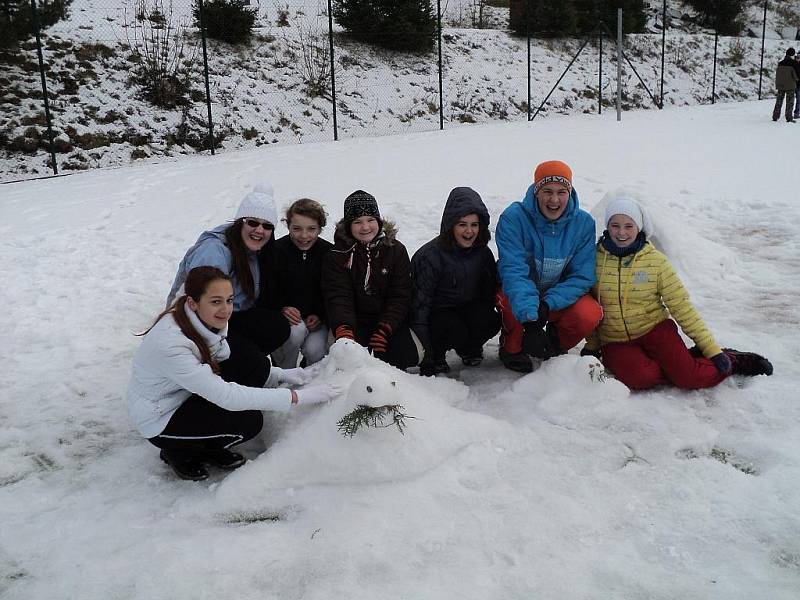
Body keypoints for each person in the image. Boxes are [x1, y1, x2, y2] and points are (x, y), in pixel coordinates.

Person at [129, 267, 339, 481]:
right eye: (216, 301)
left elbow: (225, 358)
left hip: (185, 392)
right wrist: (297, 397)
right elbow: (226, 396)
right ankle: (179, 449)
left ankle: (204, 442)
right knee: (248, 421)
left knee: (252, 365)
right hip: (161, 416)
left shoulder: (202, 318)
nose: (225, 309)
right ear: (193, 302)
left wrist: (279, 375)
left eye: (229, 300)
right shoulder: (171, 344)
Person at [583, 196, 773, 391]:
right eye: (615, 225)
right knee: (641, 379)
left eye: (628, 226)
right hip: (616, 340)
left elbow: (682, 307)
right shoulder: (594, 260)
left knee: (689, 378)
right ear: (607, 226)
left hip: (655, 330)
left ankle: (733, 360)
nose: (621, 232)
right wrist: (593, 344)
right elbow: (589, 304)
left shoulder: (656, 262)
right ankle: (685, 362)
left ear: (639, 227)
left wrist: (712, 350)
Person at [495, 160, 602, 373]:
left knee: (589, 313)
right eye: (547, 191)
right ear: (536, 191)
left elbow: (581, 276)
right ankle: (511, 347)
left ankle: (555, 342)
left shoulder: (583, 224)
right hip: (519, 294)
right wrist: (531, 320)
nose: (554, 200)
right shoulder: (514, 218)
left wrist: (547, 305)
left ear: (570, 193)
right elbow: (514, 272)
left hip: (557, 297)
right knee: (510, 301)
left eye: (562, 192)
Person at [166, 183, 290, 356]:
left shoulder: (253, 250)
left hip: (230, 316)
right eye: (253, 222)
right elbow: (194, 303)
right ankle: (215, 367)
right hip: (201, 322)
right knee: (255, 366)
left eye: (267, 225)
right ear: (240, 222)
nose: (259, 230)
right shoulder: (214, 252)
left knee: (277, 325)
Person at [321, 190, 419, 370]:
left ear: (379, 222)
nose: (365, 227)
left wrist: (385, 328)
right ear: (348, 225)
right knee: (349, 359)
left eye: (370, 220)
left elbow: (400, 294)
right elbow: (338, 295)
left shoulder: (396, 250)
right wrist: (344, 330)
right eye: (358, 222)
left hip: (386, 320)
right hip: (353, 321)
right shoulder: (337, 255)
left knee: (405, 355)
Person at [411, 187, 501, 377]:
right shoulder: (430, 256)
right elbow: (419, 307)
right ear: (451, 225)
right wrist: (426, 356)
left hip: (466, 308)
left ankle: (470, 348)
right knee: (449, 327)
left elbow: (488, 295)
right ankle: (436, 355)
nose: (469, 231)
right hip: (438, 315)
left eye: (474, 225)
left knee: (489, 320)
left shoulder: (483, 253)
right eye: (462, 224)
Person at [262, 198, 333, 368]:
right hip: (287, 320)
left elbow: (333, 291)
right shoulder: (275, 251)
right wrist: (282, 307)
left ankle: (310, 380)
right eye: (297, 229)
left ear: (320, 228)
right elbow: (266, 289)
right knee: (295, 333)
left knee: (315, 349)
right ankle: (284, 374)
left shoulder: (329, 253)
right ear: (288, 226)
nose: (304, 236)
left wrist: (320, 315)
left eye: (311, 229)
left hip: (316, 321)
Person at [773, 47, 798, 123]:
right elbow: (796, 75)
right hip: (790, 85)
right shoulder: (794, 63)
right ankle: (789, 117)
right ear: (793, 55)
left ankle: (775, 116)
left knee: (779, 100)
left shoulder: (780, 63)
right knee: (789, 102)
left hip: (781, 85)